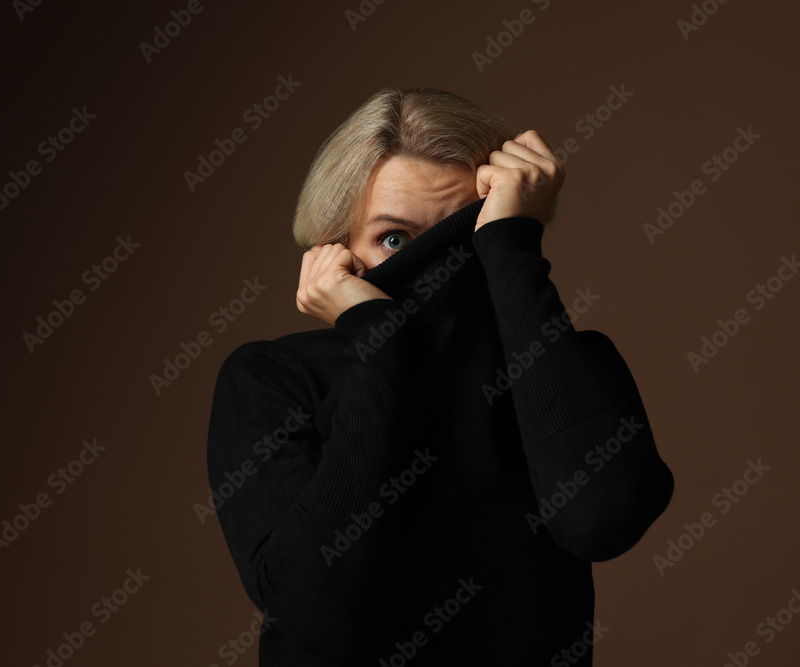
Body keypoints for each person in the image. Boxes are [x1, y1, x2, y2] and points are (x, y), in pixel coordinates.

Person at [206, 87, 674, 665]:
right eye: (394, 240)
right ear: (338, 251)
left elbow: (600, 522)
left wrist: (511, 250)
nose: (437, 267)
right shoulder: (273, 379)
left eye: (466, 234)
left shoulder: (565, 365)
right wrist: (383, 346)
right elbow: (313, 609)